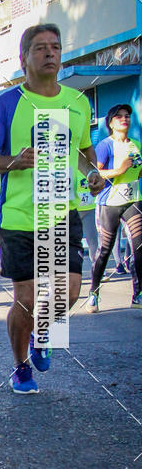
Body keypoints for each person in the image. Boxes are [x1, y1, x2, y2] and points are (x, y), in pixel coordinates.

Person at [0, 23, 104, 393]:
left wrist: (92, 172)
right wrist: (15, 161)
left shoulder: (77, 102)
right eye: (41, 48)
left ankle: (42, 334)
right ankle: (20, 366)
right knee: (27, 299)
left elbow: (83, 152)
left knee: (70, 292)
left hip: (62, 212)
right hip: (18, 216)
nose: (50, 53)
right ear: (24, 58)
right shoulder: (8, 103)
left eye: (56, 47)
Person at [85, 103, 142, 312]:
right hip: (110, 202)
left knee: (139, 248)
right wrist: (120, 169)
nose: (124, 119)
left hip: (133, 200)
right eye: (119, 116)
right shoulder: (105, 146)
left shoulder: (135, 145)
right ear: (111, 122)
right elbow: (95, 174)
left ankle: (138, 294)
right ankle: (93, 292)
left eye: (127, 116)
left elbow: (137, 172)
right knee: (105, 251)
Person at [75, 171, 98, 269]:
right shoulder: (70, 166)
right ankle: (75, 270)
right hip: (73, 211)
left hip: (89, 210)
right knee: (74, 242)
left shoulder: (89, 167)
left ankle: (97, 269)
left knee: (93, 240)